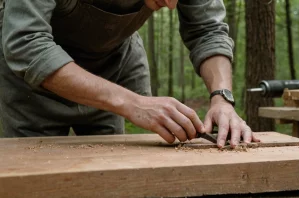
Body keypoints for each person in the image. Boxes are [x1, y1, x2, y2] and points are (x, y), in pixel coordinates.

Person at [0, 0, 259, 148]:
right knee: (39, 176)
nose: (170, 4)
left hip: (115, 63)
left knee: (113, 170)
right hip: (31, 84)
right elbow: (26, 43)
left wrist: (221, 97)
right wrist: (132, 103)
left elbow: (208, 31)